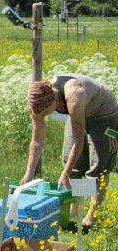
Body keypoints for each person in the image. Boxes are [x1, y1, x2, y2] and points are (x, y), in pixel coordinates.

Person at [23, 75, 118, 227]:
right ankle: (75, 207)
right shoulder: (38, 102)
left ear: (54, 100)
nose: (45, 116)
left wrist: (64, 172)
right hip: (78, 114)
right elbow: (37, 141)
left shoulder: (74, 94)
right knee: (72, 165)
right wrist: (28, 174)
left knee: (98, 168)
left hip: (103, 115)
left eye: (47, 112)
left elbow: (79, 140)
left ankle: (92, 214)